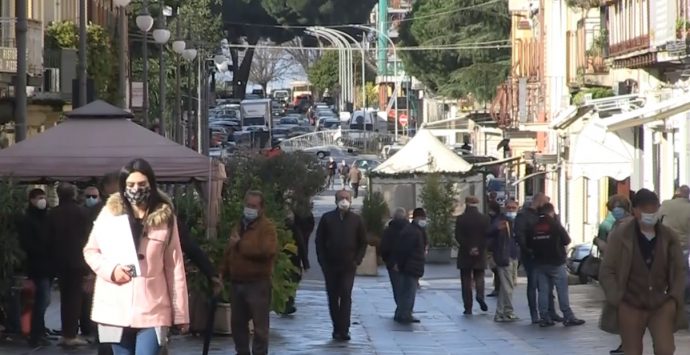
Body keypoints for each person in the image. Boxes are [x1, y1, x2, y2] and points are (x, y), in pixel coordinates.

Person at [83, 158, 189, 355]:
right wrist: (111, 271)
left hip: (153, 308)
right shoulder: (109, 214)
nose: (136, 189)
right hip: (115, 307)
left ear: (151, 184)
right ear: (123, 186)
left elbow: (174, 266)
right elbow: (90, 251)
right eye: (131, 185)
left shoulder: (165, 218)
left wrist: (180, 312)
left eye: (142, 184)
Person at [600, 189, 688, 355]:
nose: (650, 214)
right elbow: (607, 269)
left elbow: (678, 269)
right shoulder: (621, 235)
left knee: (665, 349)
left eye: (654, 209)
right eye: (645, 210)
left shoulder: (668, 236)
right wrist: (617, 298)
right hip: (630, 302)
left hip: (661, 303)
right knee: (632, 350)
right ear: (635, 210)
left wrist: (674, 297)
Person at [220, 190, 278, 355]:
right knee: (237, 324)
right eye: (248, 205)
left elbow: (268, 251)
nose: (249, 209)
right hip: (237, 282)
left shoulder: (267, 228)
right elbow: (230, 250)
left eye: (253, 206)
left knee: (260, 327)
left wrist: (241, 245)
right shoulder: (239, 225)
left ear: (261, 208)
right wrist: (222, 272)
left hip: (257, 283)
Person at [315, 190, 367, 341]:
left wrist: (357, 259)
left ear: (351, 201)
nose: (344, 201)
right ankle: (336, 327)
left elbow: (363, 242)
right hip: (330, 265)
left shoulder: (356, 220)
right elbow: (319, 241)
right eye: (341, 198)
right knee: (332, 296)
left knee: (345, 295)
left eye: (347, 198)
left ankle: (344, 329)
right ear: (336, 200)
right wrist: (322, 261)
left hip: (348, 265)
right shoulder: (327, 218)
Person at [528, 203, 585, 327]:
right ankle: (568, 316)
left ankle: (544, 317)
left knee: (543, 291)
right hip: (555, 262)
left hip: (539, 262)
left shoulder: (534, 225)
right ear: (551, 212)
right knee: (561, 290)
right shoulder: (554, 225)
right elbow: (567, 240)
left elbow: (529, 243)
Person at [48, 182, 91, 346]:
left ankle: (66, 332)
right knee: (75, 298)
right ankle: (71, 335)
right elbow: (88, 236)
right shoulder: (82, 212)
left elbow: (49, 238)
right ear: (73, 195)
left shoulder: (53, 213)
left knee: (65, 297)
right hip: (79, 260)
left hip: (59, 260)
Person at [514, 193, 561, 324]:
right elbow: (520, 235)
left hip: (547, 255)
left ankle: (550, 312)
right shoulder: (524, 216)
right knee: (533, 284)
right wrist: (528, 250)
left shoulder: (545, 216)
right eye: (546, 201)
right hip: (532, 256)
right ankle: (535, 314)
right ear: (540, 202)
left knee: (548, 285)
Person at [595, 195, 632, 355]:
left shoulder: (627, 225)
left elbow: (616, 250)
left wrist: (601, 244)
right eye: (613, 209)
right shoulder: (619, 224)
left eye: (618, 208)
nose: (615, 211)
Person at [18, 188, 52, 347]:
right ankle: (35, 334)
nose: (43, 200)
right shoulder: (28, 219)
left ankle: (39, 331)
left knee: (43, 301)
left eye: (44, 197)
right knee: (41, 301)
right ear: (31, 200)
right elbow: (27, 244)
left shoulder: (46, 217)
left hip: (47, 266)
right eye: (39, 197)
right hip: (37, 266)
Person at [390, 208, 427, 323]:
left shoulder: (414, 230)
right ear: (416, 218)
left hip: (410, 264)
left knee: (406, 291)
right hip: (411, 265)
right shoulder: (414, 231)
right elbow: (405, 249)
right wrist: (401, 264)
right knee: (409, 292)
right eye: (422, 218)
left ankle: (401, 313)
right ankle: (405, 314)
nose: (424, 220)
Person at [455, 196, 490, 315]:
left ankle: (468, 307)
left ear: (466, 203)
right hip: (480, 253)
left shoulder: (461, 219)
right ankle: (480, 295)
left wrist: (469, 247)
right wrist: (478, 248)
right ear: (477, 203)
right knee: (479, 276)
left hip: (465, 253)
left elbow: (458, 236)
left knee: (466, 281)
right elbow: (487, 236)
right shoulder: (485, 218)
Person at [487, 201, 520, 322]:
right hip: (504, 256)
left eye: (514, 208)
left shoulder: (517, 221)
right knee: (508, 286)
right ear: (505, 208)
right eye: (509, 208)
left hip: (514, 256)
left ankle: (503, 312)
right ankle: (506, 311)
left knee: (507, 286)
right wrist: (496, 228)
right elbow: (488, 232)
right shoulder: (500, 220)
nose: (511, 210)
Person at [380, 207, 410, 318]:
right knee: (408, 289)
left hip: (393, 264)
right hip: (408, 263)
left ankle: (400, 310)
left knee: (397, 288)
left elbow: (384, 248)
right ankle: (405, 311)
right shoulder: (410, 230)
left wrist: (388, 261)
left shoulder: (388, 231)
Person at [283, 208, 310, 314]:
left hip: (291, 261)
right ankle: (288, 304)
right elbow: (302, 246)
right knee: (292, 283)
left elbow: (301, 246)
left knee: (289, 283)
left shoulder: (291, 229)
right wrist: (305, 263)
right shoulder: (294, 229)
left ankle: (287, 304)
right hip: (292, 261)